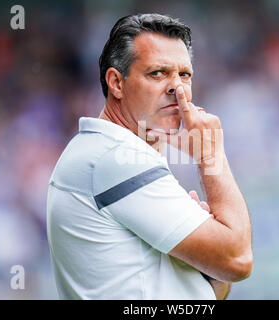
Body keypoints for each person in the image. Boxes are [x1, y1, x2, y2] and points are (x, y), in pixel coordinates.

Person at [46, 13, 253, 300]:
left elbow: (210, 289)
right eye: (158, 73)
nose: (176, 88)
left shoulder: (105, 151)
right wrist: (211, 155)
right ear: (116, 83)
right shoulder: (115, 157)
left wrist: (206, 262)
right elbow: (238, 260)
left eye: (184, 74)